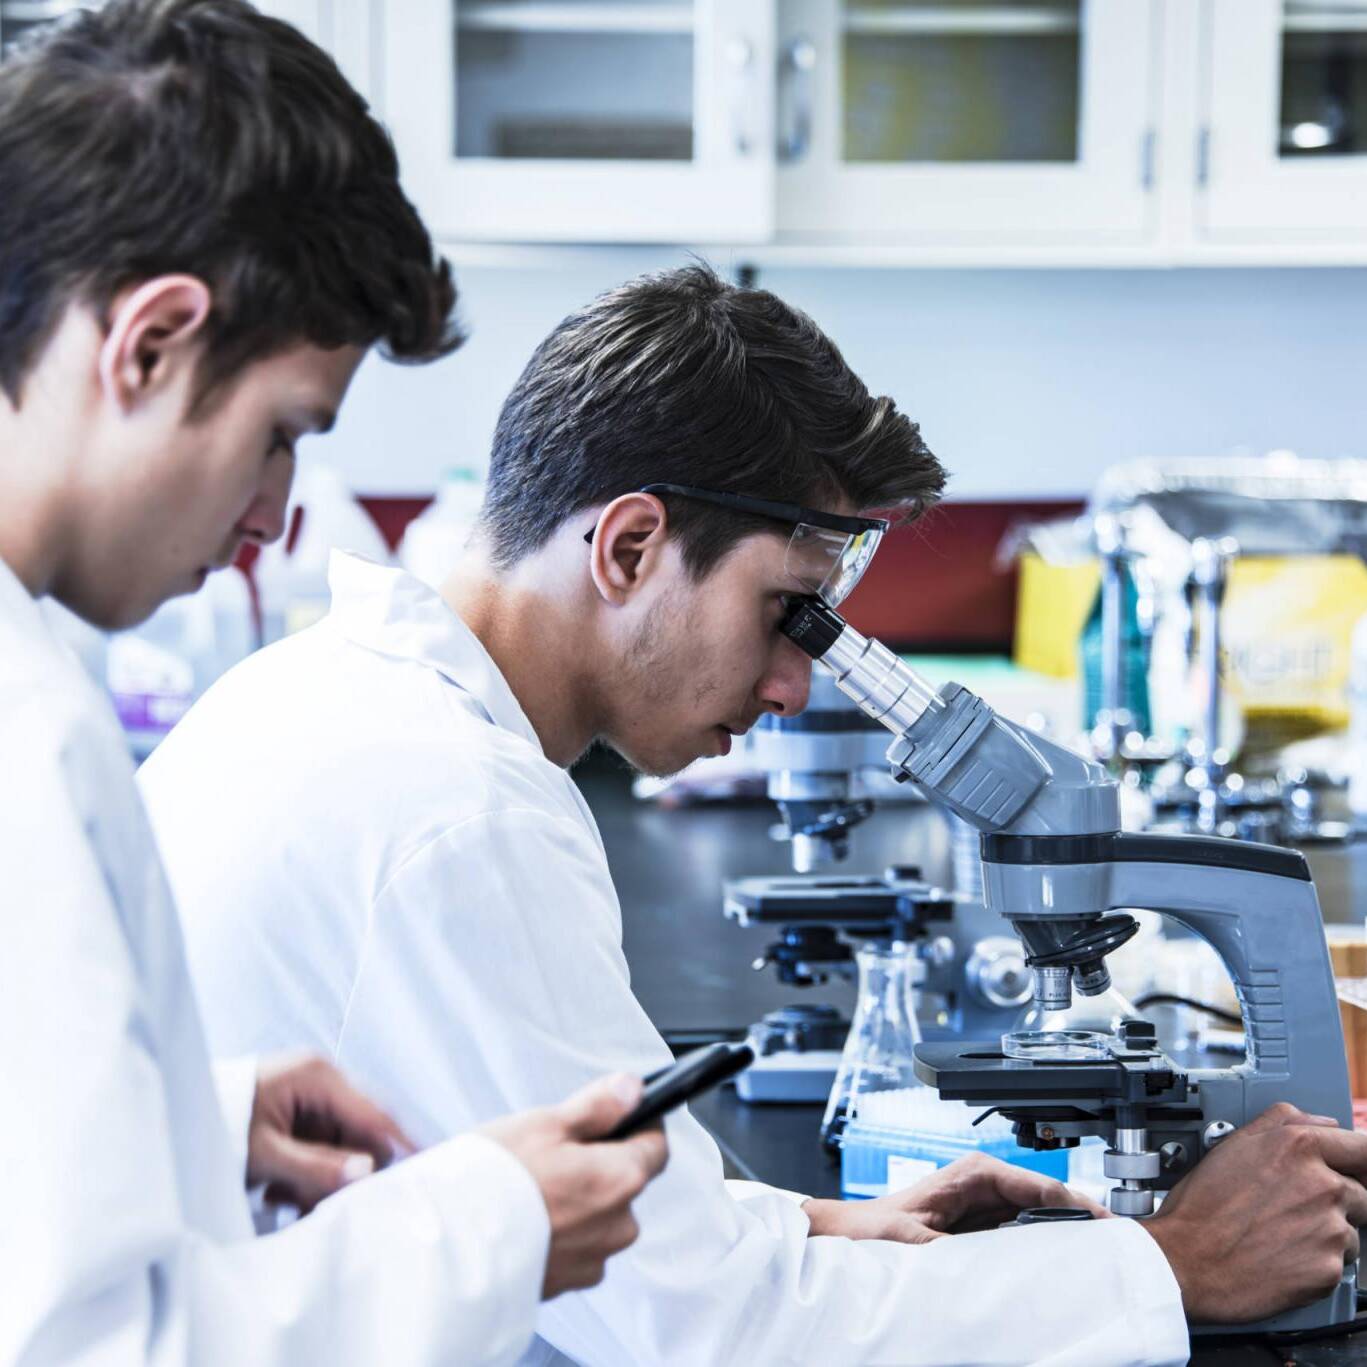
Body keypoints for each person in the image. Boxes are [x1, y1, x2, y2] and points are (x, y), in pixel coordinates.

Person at [142, 268, 1367, 1365]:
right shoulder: (456, 814)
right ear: (628, 545)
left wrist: (811, 1222)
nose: (792, 688)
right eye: (786, 610)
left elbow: (530, 1193)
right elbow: (715, 1333)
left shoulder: (337, 701)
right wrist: (1173, 1263)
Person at [0, 4, 667, 1362]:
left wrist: (188, 1114)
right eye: (278, 435)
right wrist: (493, 1222)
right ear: (150, 343)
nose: (271, 519)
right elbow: (98, 1343)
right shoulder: (28, 733)